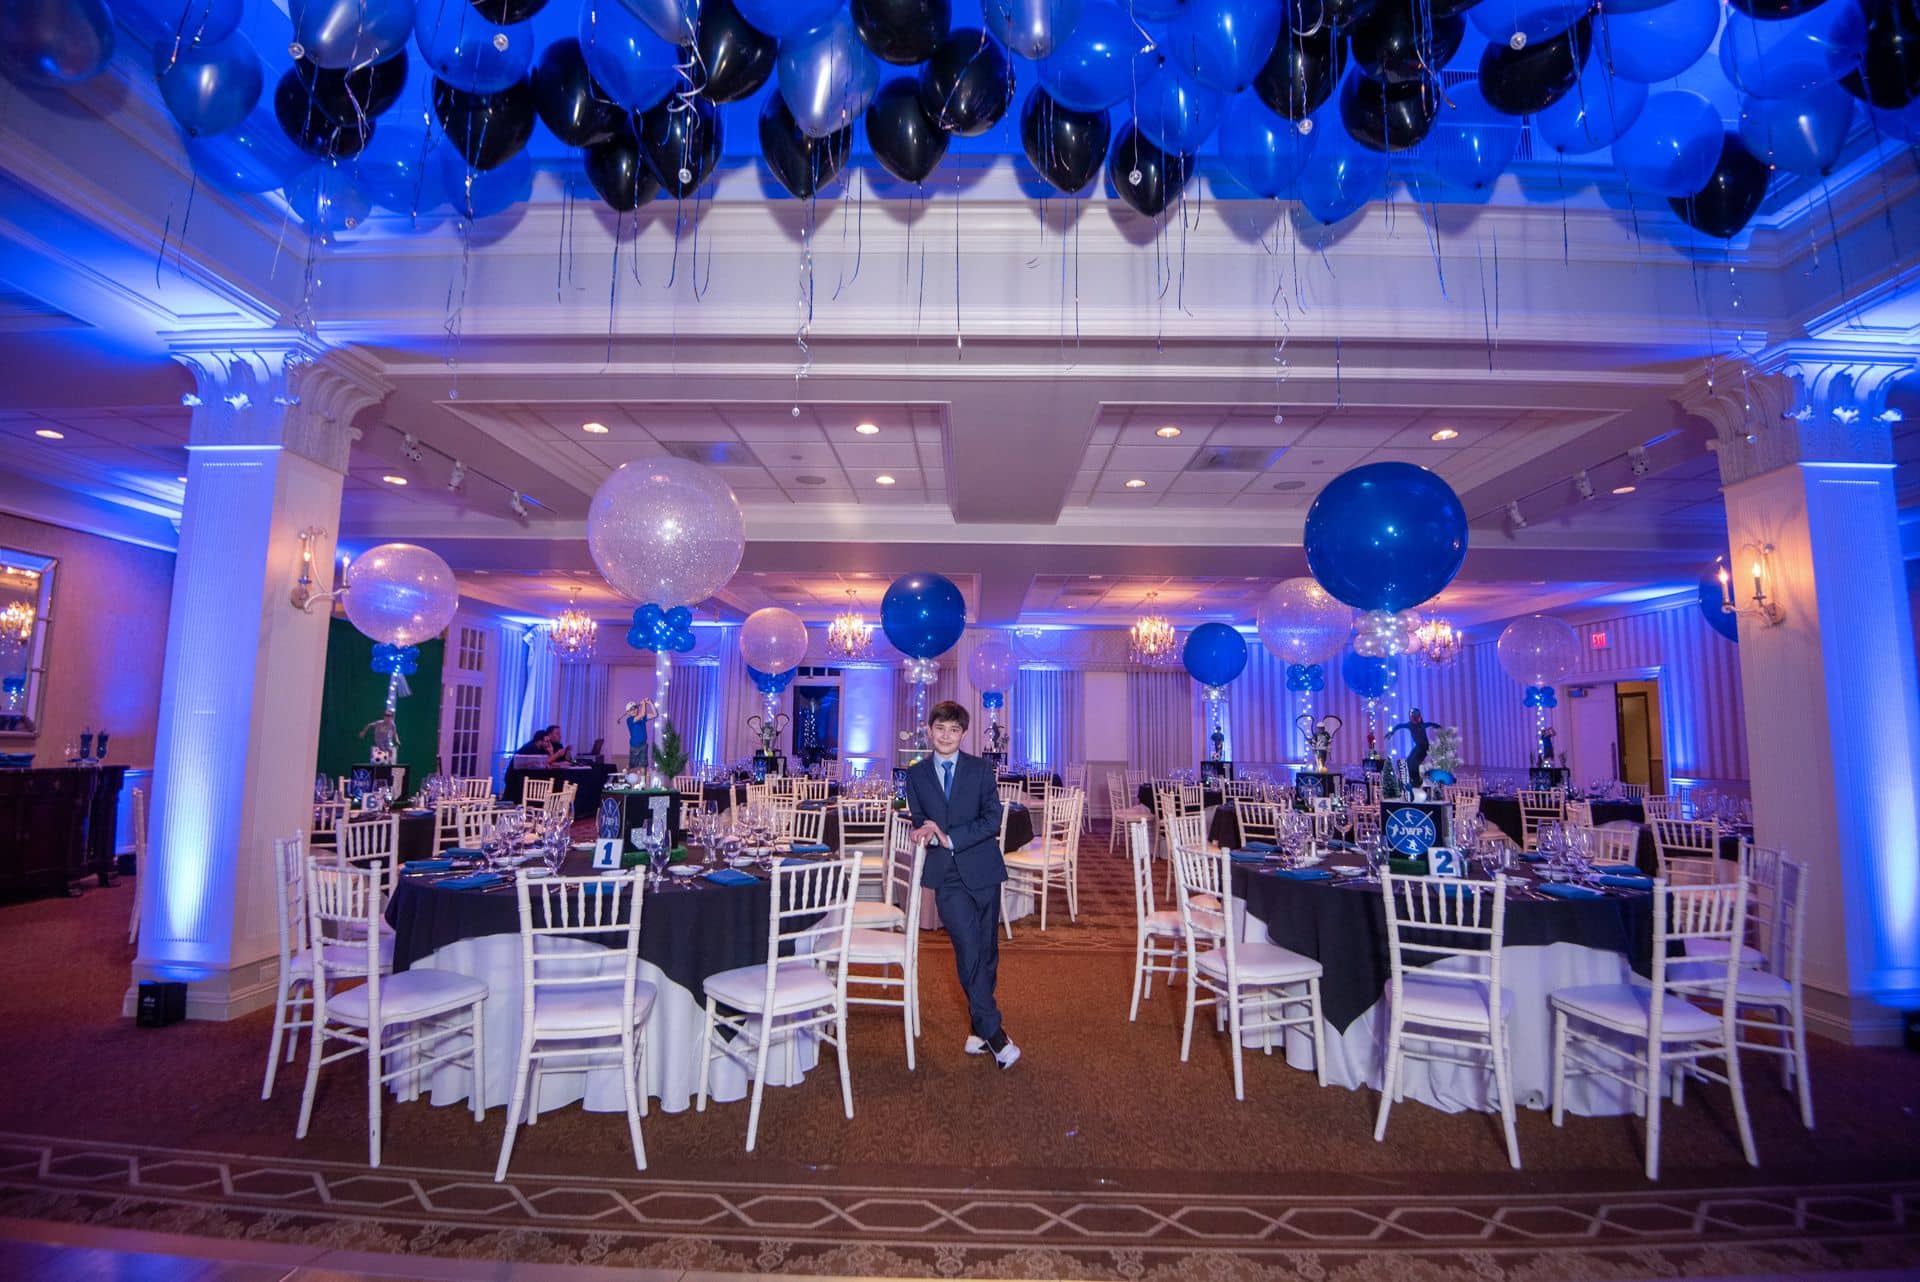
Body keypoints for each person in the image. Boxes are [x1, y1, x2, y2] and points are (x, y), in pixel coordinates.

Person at [904, 700, 1019, 1070]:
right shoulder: (916, 775)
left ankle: (977, 1030)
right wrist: (924, 831)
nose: (946, 736)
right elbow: (920, 819)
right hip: (947, 876)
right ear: (929, 730)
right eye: (940, 728)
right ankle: (996, 1035)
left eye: (953, 730)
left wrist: (951, 837)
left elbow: (992, 820)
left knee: (986, 953)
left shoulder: (980, 770)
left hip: (983, 870)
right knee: (968, 948)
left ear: (963, 734)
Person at [1389, 709, 1446, 787]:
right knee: (1409, 761)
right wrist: (1392, 732)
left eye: (1417, 719)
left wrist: (1438, 727)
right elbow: (1399, 726)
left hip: (1425, 747)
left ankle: (1416, 781)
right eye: (1414, 719)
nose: (1416, 721)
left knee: (1415, 762)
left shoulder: (1422, 725)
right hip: (1419, 747)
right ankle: (1409, 779)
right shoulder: (1410, 725)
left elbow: (1431, 724)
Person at [623, 699, 656, 770]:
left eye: (635, 708)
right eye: (631, 709)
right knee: (631, 765)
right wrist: (644, 703)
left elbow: (655, 714)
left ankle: (642, 778)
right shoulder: (629, 720)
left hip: (643, 745)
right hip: (635, 746)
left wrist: (650, 703)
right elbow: (642, 714)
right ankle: (624, 773)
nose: (634, 710)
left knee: (643, 765)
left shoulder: (642, 718)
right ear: (628, 713)